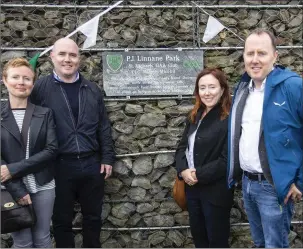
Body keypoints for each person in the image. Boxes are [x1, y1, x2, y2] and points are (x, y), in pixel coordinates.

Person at [30, 38, 115, 248]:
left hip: (92, 164)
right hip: (58, 166)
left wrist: (107, 157)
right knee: (61, 221)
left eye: (73, 55)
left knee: (93, 219)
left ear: (79, 58)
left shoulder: (92, 89)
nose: (67, 59)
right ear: (52, 57)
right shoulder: (40, 88)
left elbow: (103, 125)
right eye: (62, 54)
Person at [227, 29, 303, 248]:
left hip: (274, 186)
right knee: (260, 244)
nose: (255, 59)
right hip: (248, 184)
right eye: (250, 53)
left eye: (262, 53)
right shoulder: (243, 89)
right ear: (243, 57)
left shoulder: (293, 86)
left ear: (275, 56)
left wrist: (300, 182)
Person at [1, 58, 58, 247]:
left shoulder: (45, 113)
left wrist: (13, 168)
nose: (21, 82)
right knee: (23, 241)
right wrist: (18, 189)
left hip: (43, 185)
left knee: (42, 238)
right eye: (15, 77)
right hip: (10, 188)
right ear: (5, 80)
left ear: (32, 83)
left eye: (26, 78)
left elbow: (51, 150)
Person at [175, 68, 234, 248]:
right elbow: (181, 148)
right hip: (192, 189)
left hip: (216, 191)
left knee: (216, 241)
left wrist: (197, 174)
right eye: (202, 88)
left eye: (212, 87)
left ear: (222, 89)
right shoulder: (195, 115)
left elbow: (228, 158)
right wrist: (183, 170)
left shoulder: (229, 118)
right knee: (199, 239)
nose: (207, 92)